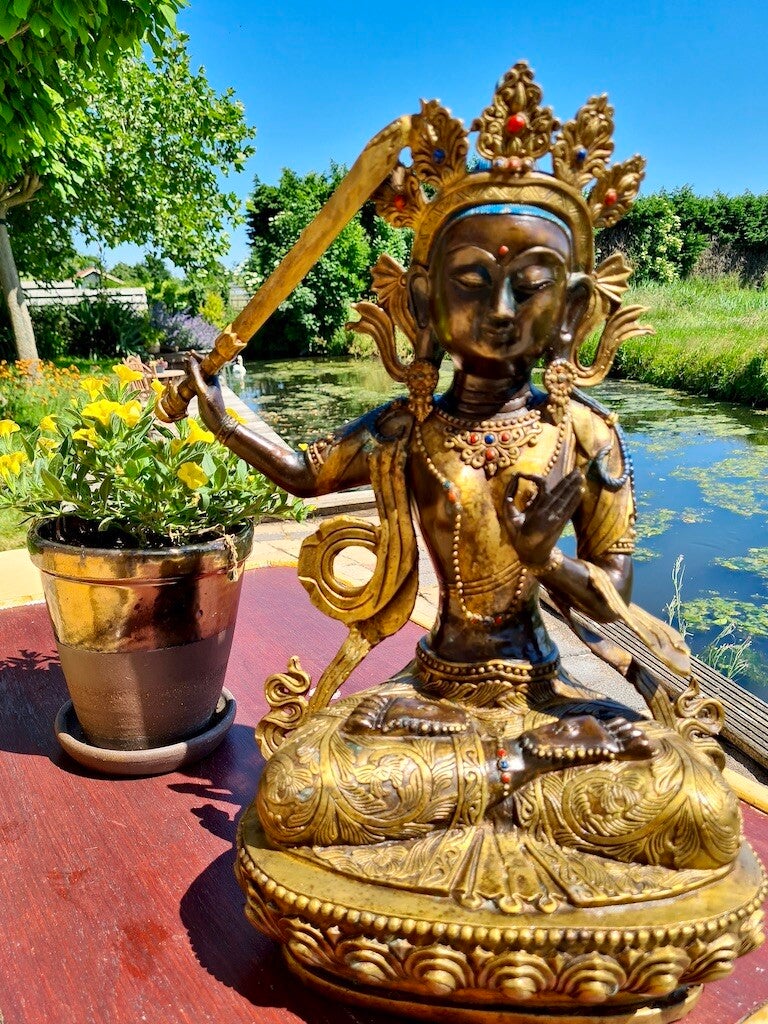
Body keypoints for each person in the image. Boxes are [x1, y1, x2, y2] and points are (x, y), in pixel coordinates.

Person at [188, 66, 740, 881]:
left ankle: (494, 779)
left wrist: (545, 561)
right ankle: (505, 782)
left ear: (574, 308)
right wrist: (223, 415)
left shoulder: (585, 434)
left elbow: (615, 607)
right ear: (424, 301)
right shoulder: (410, 426)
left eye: (533, 286)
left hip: (547, 702)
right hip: (431, 698)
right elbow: (306, 475)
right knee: (302, 785)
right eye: (474, 283)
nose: (503, 310)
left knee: (694, 801)